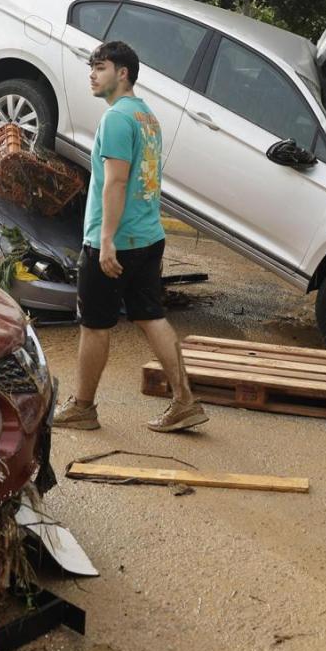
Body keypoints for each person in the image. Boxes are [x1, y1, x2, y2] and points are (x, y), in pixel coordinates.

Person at [53, 40, 206, 432]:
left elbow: (116, 183)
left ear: (123, 73)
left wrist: (105, 240)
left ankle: (83, 407)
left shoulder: (117, 119)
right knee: (151, 316)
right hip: (148, 236)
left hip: (116, 244)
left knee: (94, 324)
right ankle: (185, 401)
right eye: (92, 67)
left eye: (100, 67)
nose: (92, 74)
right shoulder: (147, 117)